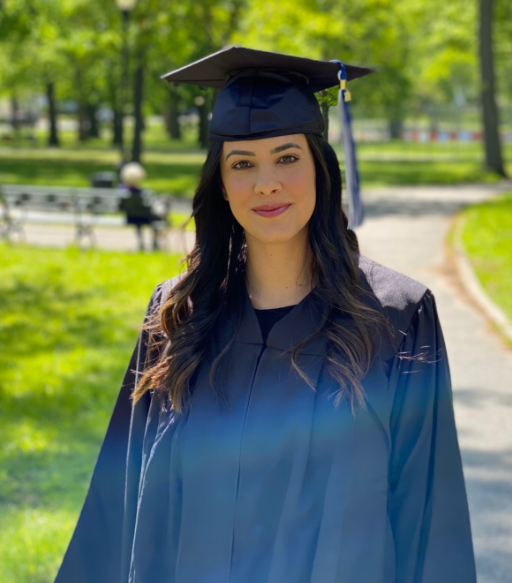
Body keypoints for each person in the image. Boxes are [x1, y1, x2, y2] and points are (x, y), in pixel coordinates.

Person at [54, 48, 477, 583]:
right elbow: (115, 508)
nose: (266, 183)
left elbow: (429, 518)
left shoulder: (394, 318)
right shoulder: (177, 315)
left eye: (287, 157)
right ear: (221, 183)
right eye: (243, 164)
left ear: (320, 168)